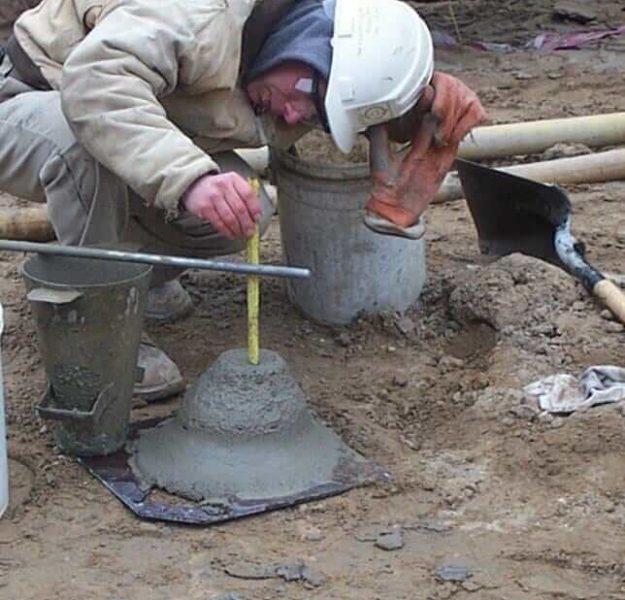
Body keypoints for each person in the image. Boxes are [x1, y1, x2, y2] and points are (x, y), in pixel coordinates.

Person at [0, 0, 486, 400]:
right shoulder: (200, 15)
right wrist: (190, 179)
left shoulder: (305, 53)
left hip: (124, 114)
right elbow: (96, 86)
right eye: (311, 96)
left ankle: (136, 280)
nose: (298, 114)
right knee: (85, 154)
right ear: (310, 47)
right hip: (33, 96)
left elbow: (355, 93)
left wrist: (414, 104)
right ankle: (95, 335)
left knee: (243, 211)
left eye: (316, 113)